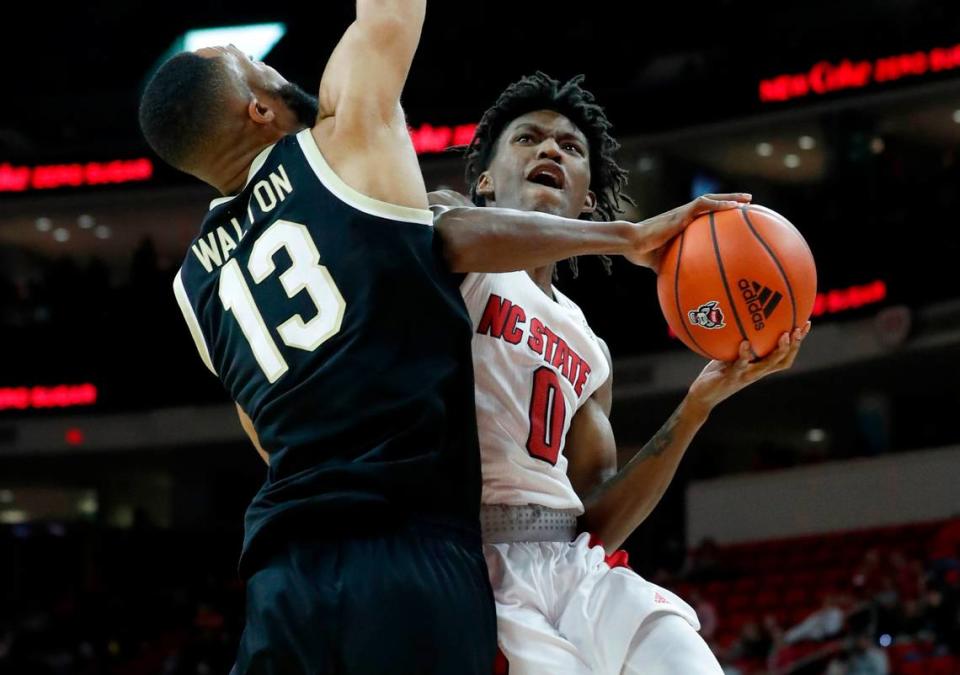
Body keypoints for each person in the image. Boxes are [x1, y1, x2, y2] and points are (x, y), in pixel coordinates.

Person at [137, 1, 504, 672]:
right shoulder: (344, 143)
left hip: (284, 578)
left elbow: (263, 435)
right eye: (258, 66)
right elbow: (388, 17)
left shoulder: (192, 285)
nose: (276, 69)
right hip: (407, 554)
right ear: (258, 108)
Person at [430, 72, 811, 675]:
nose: (550, 149)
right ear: (483, 180)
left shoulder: (589, 346)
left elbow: (598, 517)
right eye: (527, 139)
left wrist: (695, 408)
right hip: (470, 564)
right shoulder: (450, 228)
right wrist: (627, 236)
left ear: (584, 196)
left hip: (572, 563)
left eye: (570, 147)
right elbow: (450, 236)